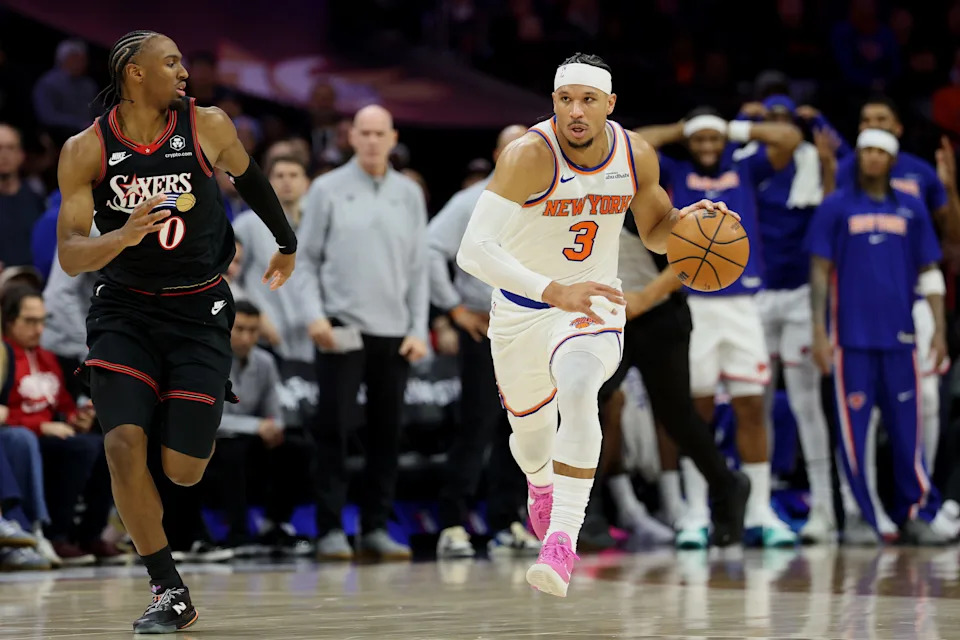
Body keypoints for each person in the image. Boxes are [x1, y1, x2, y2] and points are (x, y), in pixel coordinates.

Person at [456, 52, 739, 597]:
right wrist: (554, 289)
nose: (576, 112)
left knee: (583, 391)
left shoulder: (636, 155)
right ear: (554, 103)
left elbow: (656, 231)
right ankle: (541, 485)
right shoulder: (528, 156)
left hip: (595, 304)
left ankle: (561, 543)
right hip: (522, 310)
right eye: (566, 100)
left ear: (611, 104)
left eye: (588, 100)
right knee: (530, 441)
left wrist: (690, 228)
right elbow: (474, 250)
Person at [55, 31, 297, 632]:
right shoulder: (85, 149)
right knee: (120, 445)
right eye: (171, 62)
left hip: (199, 311)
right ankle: (169, 588)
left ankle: (164, 406)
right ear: (135, 74)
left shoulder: (207, 125)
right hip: (124, 311)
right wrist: (123, 235)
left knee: (184, 469)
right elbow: (69, 255)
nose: (184, 71)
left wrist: (286, 242)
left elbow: (251, 178)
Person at [635, 108, 803, 548]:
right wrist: (683, 128)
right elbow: (633, 144)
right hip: (693, 302)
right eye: (700, 140)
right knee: (697, 412)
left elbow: (788, 138)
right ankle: (696, 512)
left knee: (751, 407)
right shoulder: (676, 168)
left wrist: (728, 127)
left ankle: (761, 510)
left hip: (744, 304)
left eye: (714, 140)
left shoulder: (743, 164)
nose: (707, 147)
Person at [299, 104, 429, 562]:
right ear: (350, 137)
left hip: (394, 332)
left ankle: (375, 526)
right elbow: (305, 258)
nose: (373, 140)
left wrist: (419, 328)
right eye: (365, 133)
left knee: (387, 434)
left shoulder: (409, 194)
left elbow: (419, 268)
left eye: (380, 133)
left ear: (393, 138)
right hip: (341, 326)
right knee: (332, 430)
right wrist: (313, 315)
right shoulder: (327, 189)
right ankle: (330, 529)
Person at [807, 128, 949, 545]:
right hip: (850, 339)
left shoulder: (911, 207)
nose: (871, 157)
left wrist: (939, 327)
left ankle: (916, 511)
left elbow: (929, 269)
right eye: (865, 150)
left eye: (879, 152)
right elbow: (818, 271)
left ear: (892, 159)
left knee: (909, 430)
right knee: (853, 433)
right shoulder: (835, 207)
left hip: (901, 337)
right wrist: (818, 330)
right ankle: (861, 516)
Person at [593, 214, 749, 548]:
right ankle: (586, 515)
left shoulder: (638, 198)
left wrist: (645, 298)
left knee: (676, 417)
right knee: (591, 402)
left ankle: (727, 487)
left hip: (659, 313)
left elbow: (691, 260)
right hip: (607, 312)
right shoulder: (575, 193)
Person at [428, 124, 541, 559]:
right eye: (511, 147)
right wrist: (453, 309)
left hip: (530, 326)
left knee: (523, 425)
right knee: (476, 425)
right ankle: (453, 523)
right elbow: (430, 247)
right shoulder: (471, 200)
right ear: (499, 155)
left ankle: (506, 520)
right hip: (485, 325)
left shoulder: (548, 198)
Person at [741, 95, 840, 543]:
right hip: (758, 297)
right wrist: (746, 120)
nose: (778, 132)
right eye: (771, 123)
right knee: (755, 404)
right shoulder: (747, 166)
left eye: (785, 123)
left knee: (804, 404)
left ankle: (825, 508)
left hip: (800, 298)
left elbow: (836, 203)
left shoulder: (814, 165)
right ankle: (757, 506)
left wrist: (815, 118)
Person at [204, 300, 315, 556]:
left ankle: (275, 524)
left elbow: (275, 413)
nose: (246, 337)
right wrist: (258, 426)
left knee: (298, 449)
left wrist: (273, 427)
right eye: (240, 329)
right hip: (215, 442)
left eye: (253, 330)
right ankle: (238, 534)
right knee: (233, 451)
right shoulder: (208, 360)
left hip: (252, 440)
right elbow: (211, 419)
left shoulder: (265, 362)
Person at [233, 156, 312, 361]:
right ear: (268, 182)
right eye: (279, 176)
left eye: (293, 175)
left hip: (310, 331)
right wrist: (255, 315)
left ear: (306, 183)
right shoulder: (247, 225)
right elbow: (228, 275)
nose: (287, 181)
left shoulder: (318, 223)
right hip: (265, 334)